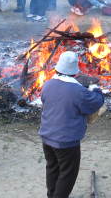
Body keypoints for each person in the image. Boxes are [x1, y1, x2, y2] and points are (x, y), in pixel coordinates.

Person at [39, 51, 104, 197]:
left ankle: (51, 195)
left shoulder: (48, 85)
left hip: (47, 136)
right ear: (75, 73)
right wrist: (95, 88)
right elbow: (96, 102)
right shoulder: (78, 91)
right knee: (68, 173)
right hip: (66, 141)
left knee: (52, 167)